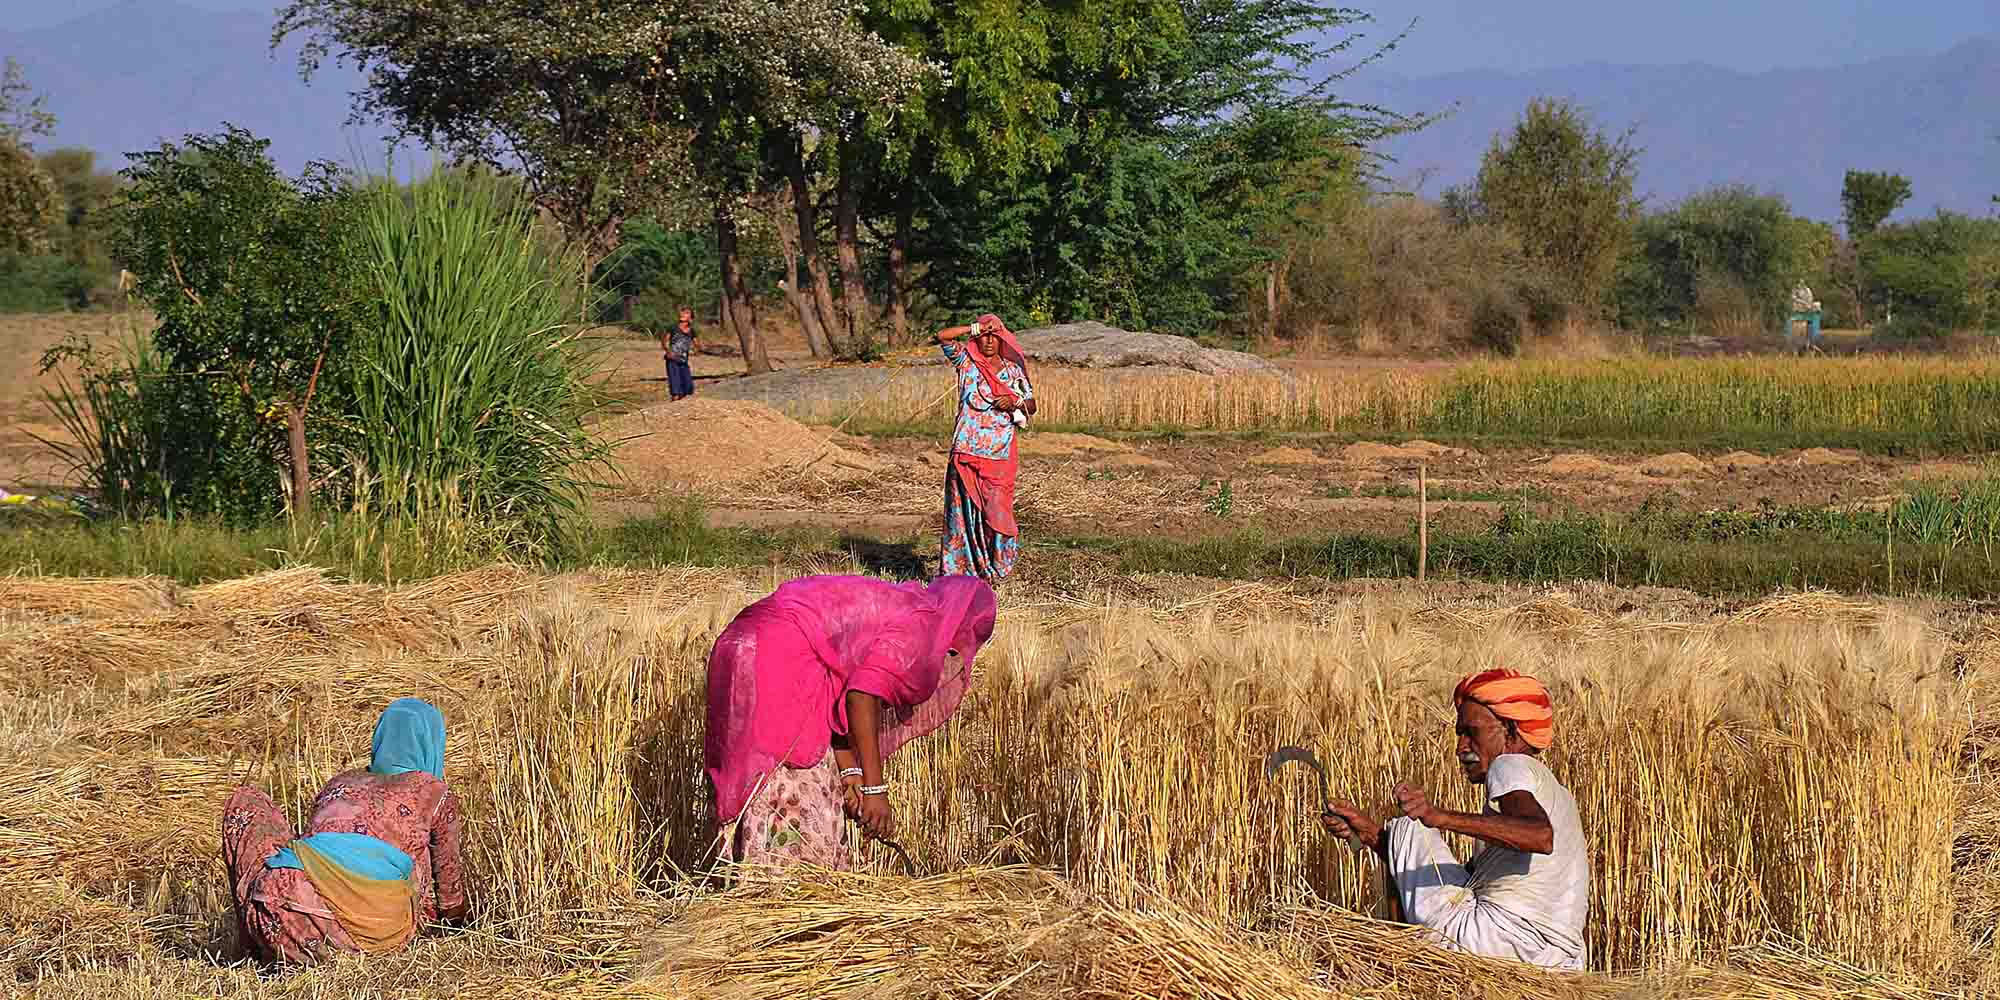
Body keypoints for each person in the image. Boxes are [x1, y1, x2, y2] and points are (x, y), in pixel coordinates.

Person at [705, 574, 998, 870]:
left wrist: (851, 772)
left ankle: (748, 880)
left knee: (752, 770)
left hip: (737, 645)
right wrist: (874, 791)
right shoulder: (922, 623)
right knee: (792, 772)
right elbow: (860, 695)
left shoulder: (895, 605)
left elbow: (835, 685)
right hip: (776, 658)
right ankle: (791, 889)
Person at [1320, 669, 1589, 971]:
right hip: (1559, 960)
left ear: (1511, 732)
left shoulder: (1509, 764)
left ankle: (1396, 972)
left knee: (1409, 825)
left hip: (1500, 942)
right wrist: (1372, 835)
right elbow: (1441, 880)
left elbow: (1540, 836)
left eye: (1470, 732)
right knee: (1405, 837)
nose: (1460, 748)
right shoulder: (1556, 794)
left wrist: (1437, 817)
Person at [220, 698, 468, 965]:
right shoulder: (434, 792)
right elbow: (449, 888)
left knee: (246, 800)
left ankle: (254, 954)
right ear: (432, 744)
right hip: (377, 935)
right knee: (410, 856)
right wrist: (457, 929)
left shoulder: (340, 783)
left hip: (283, 917)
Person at [935, 314, 1035, 582]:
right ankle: (962, 573)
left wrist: (1013, 401)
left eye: (994, 335)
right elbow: (942, 336)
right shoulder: (966, 362)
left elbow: (1032, 405)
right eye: (984, 335)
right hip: (966, 450)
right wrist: (973, 327)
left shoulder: (1013, 371)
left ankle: (999, 568)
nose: (989, 341)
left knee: (998, 510)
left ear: (1002, 338)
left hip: (999, 454)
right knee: (962, 514)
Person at [662, 306, 698, 401]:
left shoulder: (692, 331)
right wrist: (668, 351)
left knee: (688, 385)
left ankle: (681, 401)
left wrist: (696, 350)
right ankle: (674, 400)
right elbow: (664, 341)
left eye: (686, 313)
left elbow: (696, 344)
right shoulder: (673, 327)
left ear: (691, 318)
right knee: (675, 382)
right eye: (682, 312)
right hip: (672, 358)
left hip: (683, 360)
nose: (682, 314)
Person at [1789, 281, 1823, 353]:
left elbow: (1810, 300)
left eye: (1802, 283)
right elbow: (1794, 298)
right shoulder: (1795, 290)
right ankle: (1799, 347)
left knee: (1810, 329)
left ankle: (1810, 344)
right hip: (1798, 312)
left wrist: (1809, 305)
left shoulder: (1808, 291)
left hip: (1806, 313)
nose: (1800, 285)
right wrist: (1803, 303)